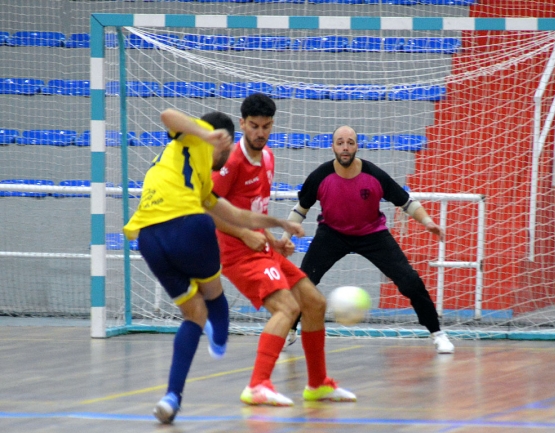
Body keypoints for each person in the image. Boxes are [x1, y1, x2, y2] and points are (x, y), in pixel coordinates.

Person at [123, 108, 305, 424]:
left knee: (193, 313)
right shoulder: (196, 136)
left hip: (148, 237)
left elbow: (237, 215)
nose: (230, 153)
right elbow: (166, 114)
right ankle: (219, 340)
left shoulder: (196, 175)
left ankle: (171, 398)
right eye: (229, 145)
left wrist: (276, 223)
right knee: (214, 296)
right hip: (187, 227)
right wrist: (207, 134)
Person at [210, 93, 356, 406]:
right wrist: (243, 235)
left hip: (262, 249)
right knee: (287, 308)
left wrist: (273, 241)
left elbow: (251, 209)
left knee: (314, 303)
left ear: (272, 125)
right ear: (242, 125)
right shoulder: (230, 164)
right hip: (237, 255)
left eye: (265, 126)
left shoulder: (268, 158)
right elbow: (208, 210)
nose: (259, 133)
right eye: (253, 126)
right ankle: (257, 384)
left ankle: (318, 384)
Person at [284, 125, 455, 355]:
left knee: (410, 281)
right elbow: (301, 209)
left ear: (357, 146)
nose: (345, 147)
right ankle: (289, 330)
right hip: (332, 234)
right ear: (333, 146)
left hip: (372, 234)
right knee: (303, 283)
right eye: (340, 142)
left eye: (350, 142)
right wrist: (285, 237)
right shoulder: (320, 176)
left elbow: (406, 202)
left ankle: (437, 333)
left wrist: (427, 222)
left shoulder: (374, 174)